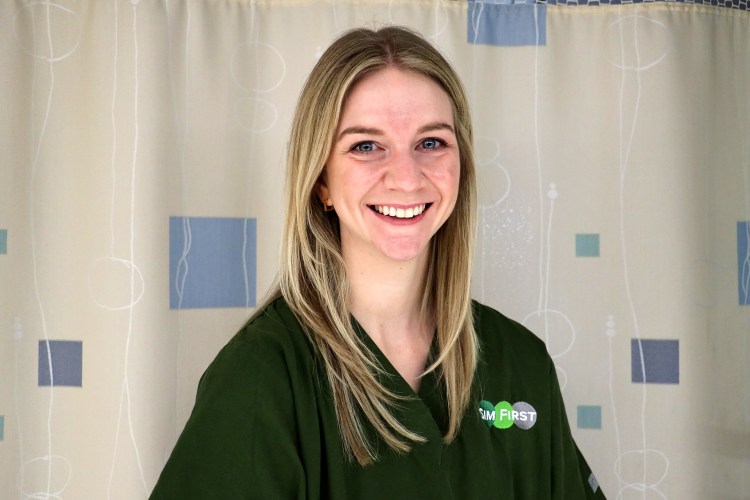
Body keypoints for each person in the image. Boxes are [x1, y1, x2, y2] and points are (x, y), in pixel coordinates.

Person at [150, 26, 606, 499]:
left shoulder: (521, 364)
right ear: (321, 182)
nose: (407, 178)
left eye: (431, 142)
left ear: (461, 165)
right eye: (366, 146)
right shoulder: (262, 379)